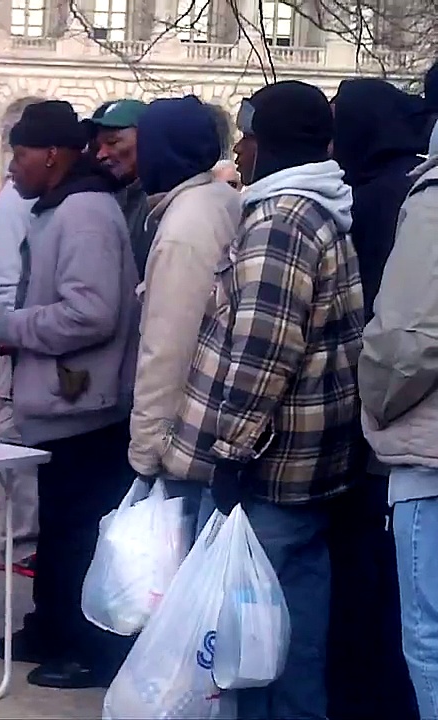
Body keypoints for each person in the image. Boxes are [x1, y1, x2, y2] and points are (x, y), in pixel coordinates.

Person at [161, 80, 363, 719]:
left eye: (248, 134)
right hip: (312, 464)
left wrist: (229, 454)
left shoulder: (282, 221)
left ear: (268, 139)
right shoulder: (323, 211)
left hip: (268, 472)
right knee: (294, 630)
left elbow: (262, 353)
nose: (240, 149)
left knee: (243, 645)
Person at [0, 99, 139, 689]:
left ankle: (86, 648)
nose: (12, 167)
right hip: (67, 403)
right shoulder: (63, 206)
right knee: (59, 528)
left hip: (88, 408)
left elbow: (92, 313)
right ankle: (50, 627)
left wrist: (6, 329)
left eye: (17, 154)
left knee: (78, 532)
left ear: (51, 154)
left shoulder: (85, 213)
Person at [326, 77, 425, 720]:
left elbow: (400, 333)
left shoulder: (386, 199)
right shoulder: (406, 187)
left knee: (381, 592)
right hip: (402, 424)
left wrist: (375, 402)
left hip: (388, 426)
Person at [127, 95, 242, 526]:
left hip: (186, 440)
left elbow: (168, 344)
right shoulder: (220, 201)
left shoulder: (184, 228)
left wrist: (147, 447)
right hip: (214, 423)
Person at [360, 119, 438, 720]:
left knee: (431, 636)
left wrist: (377, 403)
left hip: (430, 456)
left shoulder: (434, 199)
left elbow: (407, 339)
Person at [0, 165, 38, 577]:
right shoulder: (13, 203)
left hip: (22, 326)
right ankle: (19, 543)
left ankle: (24, 538)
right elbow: (6, 276)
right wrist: (6, 326)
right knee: (14, 435)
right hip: (14, 330)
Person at [85, 99, 151, 278]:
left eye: (112, 142)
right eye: (98, 146)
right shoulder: (113, 195)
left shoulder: (157, 203)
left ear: (147, 139)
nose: (101, 154)